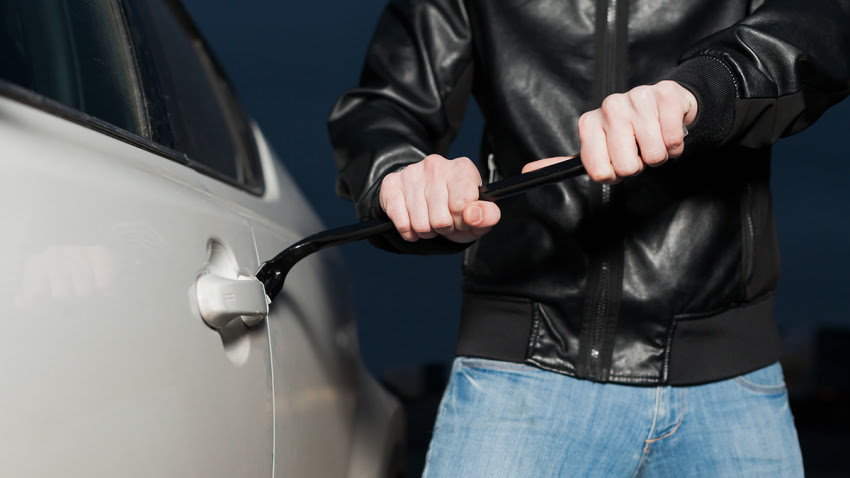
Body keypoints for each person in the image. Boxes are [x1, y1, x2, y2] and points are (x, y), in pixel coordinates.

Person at [328, 0, 850, 476]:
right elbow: (386, 107)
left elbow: (823, 21)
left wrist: (707, 85)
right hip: (521, 371)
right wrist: (400, 173)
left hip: (728, 378)